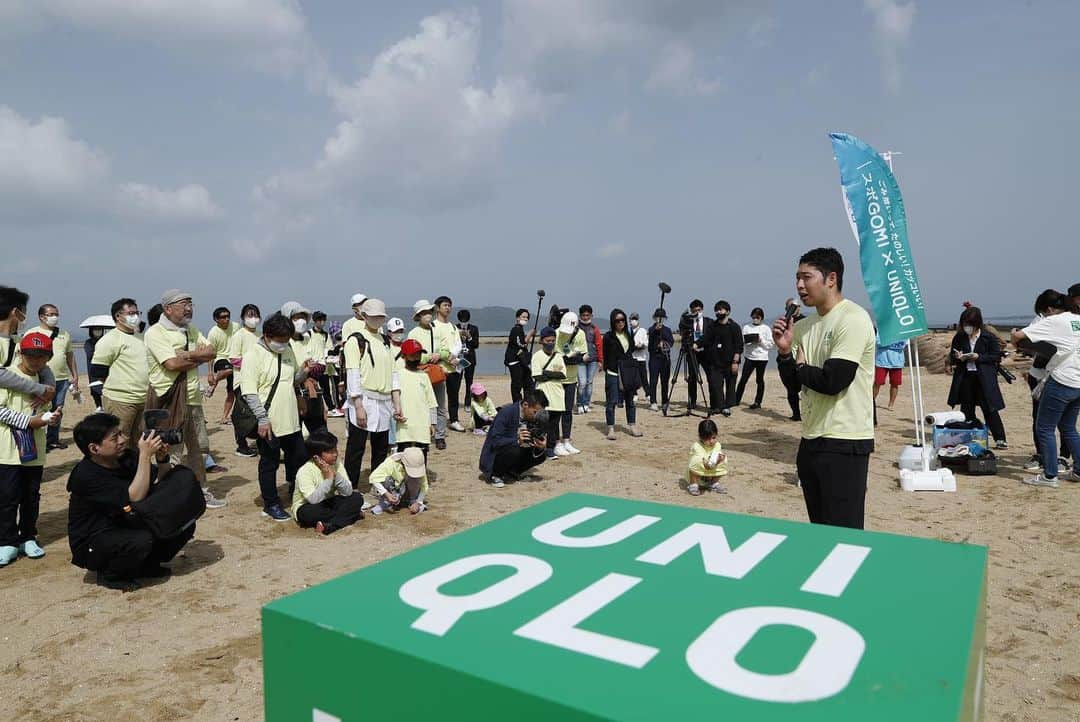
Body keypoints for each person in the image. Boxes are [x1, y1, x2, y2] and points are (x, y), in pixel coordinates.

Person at [774, 247, 875, 530]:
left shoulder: (852, 318)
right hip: (811, 438)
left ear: (831, 279)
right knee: (819, 531)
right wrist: (784, 355)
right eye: (797, 277)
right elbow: (794, 385)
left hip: (846, 440)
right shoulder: (804, 326)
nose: (799, 285)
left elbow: (834, 381)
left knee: (844, 533)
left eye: (807, 277)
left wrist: (801, 369)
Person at [67, 413, 195, 590]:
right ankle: (110, 575)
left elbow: (159, 481)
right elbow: (134, 496)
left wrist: (161, 458)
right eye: (115, 438)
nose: (123, 439)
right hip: (93, 541)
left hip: (124, 523)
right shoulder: (86, 475)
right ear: (94, 448)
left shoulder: (125, 458)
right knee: (141, 539)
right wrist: (144, 455)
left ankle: (145, 566)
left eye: (120, 433)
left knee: (182, 524)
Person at [143, 290, 225, 508]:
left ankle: (202, 491)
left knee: (199, 448)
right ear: (168, 309)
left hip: (193, 399)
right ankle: (172, 495)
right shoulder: (155, 332)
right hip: (168, 400)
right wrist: (195, 357)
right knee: (172, 450)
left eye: (191, 303)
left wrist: (187, 354)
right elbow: (171, 365)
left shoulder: (191, 329)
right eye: (183, 304)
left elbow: (211, 351)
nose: (189, 308)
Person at [241, 312, 311, 521]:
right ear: (267, 335)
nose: (283, 344)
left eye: (286, 340)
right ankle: (271, 503)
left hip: (290, 419)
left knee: (298, 456)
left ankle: (295, 489)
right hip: (269, 420)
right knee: (269, 462)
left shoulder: (287, 349)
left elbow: (291, 379)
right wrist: (262, 419)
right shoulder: (253, 354)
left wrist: (305, 372)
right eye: (280, 340)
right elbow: (249, 391)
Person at [0, 332, 62, 566]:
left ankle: (28, 536)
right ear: (20, 353)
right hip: (7, 450)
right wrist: (28, 422)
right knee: (7, 498)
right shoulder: (8, 377)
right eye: (31, 355)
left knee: (31, 497)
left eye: (42, 356)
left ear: (48, 358)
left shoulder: (46, 382)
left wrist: (53, 417)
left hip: (34, 450)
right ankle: (6, 541)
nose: (35, 360)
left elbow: (47, 409)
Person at [1012, 293, 1080, 488]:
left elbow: (1018, 336)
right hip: (1078, 382)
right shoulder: (1078, 319)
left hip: (1061, 381)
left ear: (1049, 310)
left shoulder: (1055, 320)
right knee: (1068, 428)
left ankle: (1049, 475)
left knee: (1044, 428)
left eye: (1043, 313)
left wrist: (1016, 339)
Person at [343, 299, 401, 485]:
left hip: (384, 401)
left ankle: (378, 482)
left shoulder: (385, 341)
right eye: (373, 316)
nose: (377, 320)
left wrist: (397, 403)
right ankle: (350, 487)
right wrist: (358, 405)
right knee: (356, 446)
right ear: (364, 316)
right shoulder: (356, 340)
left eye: (381, 317)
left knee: (381, 446)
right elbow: (352, 373)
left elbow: (393, 373)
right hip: (364, 399)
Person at [946, 306, 1008, 449]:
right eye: (965, 324)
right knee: (967, 407)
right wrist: (958, 357)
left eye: (969, 324)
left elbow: (995, 356)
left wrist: (979, 357)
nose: (967, 327)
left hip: (984, 376)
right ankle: (969, 433)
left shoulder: (988, 337)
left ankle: (1000, 438)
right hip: (966, 375)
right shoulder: (959, 337)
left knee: (990, 408)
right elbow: (953, 354)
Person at [90, 298, 148, 444]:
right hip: (120, 400)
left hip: (143, 398)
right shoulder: (109, 340)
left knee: (139, 440)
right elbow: (98, 371)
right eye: (130, 313)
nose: (135, 316)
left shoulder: (141, 337)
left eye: (137, 312)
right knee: (120, 440)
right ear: (118, 316)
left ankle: (136, 466)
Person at [0, 286, 58, 430]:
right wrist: (39, 389)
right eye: (24, 313)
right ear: (15, 312)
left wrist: (49, 390)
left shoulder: (18, 341)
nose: (25, 318)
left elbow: (43, 367)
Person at [290, 430, 365, 534]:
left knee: (357, 498)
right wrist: (328, 479)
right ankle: (351, 516)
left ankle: (330, 526)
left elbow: (347, 492)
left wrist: (335, 476)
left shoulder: (336, 464)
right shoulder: (305, 471)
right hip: (308, 506)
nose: (335, 454)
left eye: (335, 450)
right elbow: (313, 500)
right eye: (330, 452)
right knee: (309, 514)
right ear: (316, 456)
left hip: (329, 501)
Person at [478, 389, 549, 488]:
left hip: (513, 452)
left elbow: (534, 439)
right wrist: (516, 440)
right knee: (514, 448)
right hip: (495, 456)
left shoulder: (534, 419)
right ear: (525, 405)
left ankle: (512, 472)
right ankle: (496, 475)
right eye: (535, 412)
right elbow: (495, 441)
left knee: (542, 454)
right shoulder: (506, 413)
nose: (536, 415)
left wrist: (541, 445)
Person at [32, 304, 78, 450]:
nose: (55, 317)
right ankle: (37, 440)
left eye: (56, 314)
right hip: (41, 379)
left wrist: (75, 375)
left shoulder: (64, 334)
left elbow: (70, 355)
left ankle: (52, 439)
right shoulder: (32, 333)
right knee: (39, 409)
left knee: (57, 409)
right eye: (51, 314)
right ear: (42, 316)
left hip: (62, 379)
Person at [409, 299, 451, 449]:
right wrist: (428, 357)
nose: (427, 315)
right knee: (422, 405)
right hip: (420, 373)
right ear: (419, 316)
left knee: (440, 405)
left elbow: (447, 350)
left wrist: (439, 355)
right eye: (424, 313)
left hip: (437, 372)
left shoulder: (437, 329)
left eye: (429, 312)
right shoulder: (413, 333)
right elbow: (412, 355)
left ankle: (439, 436)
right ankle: (423, 434)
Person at [225, 304, 261, 457]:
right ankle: (241, 445)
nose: (252, 318)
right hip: (242, 380)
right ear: (243, 317)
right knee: (241, 413)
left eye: (255, 315)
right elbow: (233, 358)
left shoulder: (260, 335)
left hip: (259, 381)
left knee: (259, 412)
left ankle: (259, 441)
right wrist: (249, 366)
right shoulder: (239, 335)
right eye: (249, 315)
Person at [602, 309, 643, 440]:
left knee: (630, 400)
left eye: (622, 320)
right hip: (613, 372)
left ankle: (632, 425)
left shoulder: (628, 334)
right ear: (613, 322)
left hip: (627, 371)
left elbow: (631, 351)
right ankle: (611, 428)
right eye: (617, 321)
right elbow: (605, 355)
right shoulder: (608, 336)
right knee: (612, 401)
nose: (620, 323)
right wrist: (607, 368)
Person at [394, 339, 437, 461]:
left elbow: (431, 402)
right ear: (404, 356)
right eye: (413, 355)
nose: (416, 358)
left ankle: (421, 480)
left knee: (421, 458)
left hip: (422, 427)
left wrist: (432, 423)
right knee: (403, 457)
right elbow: (393, 400)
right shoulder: (398, 375)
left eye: (418, 354)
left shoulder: (424, 376)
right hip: (404, 427)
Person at [532, 326, 568, 459]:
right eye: (548, 340)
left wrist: (547, 373)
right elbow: (537, 375)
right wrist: (552, 374)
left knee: (554, 424)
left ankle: (551, 447)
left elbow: (563, 374)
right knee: (543, 423)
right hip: (544, 394)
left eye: (553, 340)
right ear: (542, 341)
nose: (551, 343)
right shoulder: (537, 356)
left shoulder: (558, 356)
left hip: (558, 394)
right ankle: (542, 448)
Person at [702, 300, 742, 417]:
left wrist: (735, 361)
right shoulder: (712, 326)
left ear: (728, 311)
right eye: (717, 310)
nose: (718, 312)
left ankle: (727, 406)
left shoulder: (734, 327)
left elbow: (739, 345)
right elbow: (705, 339)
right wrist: (696, 344)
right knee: (715, 384)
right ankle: (720, 406)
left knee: (730, 385)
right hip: (715, 362)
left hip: (730, 362)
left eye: (721, 309)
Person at [433, 296, 466, 433]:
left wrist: (453, 355)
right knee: (436, 397)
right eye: (445, 305)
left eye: (449, 305)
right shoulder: (433, 326)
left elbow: (458, 343)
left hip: (454, 367)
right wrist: (447, 357)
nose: (448, 308)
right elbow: (434, 346)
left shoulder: (452, 326)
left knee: (454, 395)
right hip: (439, 367)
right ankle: (434, 422)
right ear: (437, 308)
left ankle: (454, 420)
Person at [555, 311, 585, 454]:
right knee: (555, 412)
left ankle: (566, 440)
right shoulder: (556, 334)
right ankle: (555, 443)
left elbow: (584, 356)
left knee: (567, 411)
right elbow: (554, 356)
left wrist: (572, 358)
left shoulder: (580, 335)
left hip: (571, 379)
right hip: (556, 379)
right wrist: (572, 358)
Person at [368, 447, 429, 515]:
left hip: (408, 492)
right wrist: (386, 494)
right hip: (392, 491)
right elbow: (373, 478)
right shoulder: (390, 462)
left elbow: (424, 485)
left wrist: (418, 502)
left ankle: (413, 501)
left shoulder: (417, 463)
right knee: (386, 478)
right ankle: (386, 502)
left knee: (416, 478)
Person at [206, 307, 240, 425]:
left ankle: (224, 417)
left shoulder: (236, 326)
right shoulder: (213, 333)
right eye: (223, 317)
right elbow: (210, 354)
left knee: (232, 392)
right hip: (220, 359)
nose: (226, 319)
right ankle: (214, 381)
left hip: (235, 360)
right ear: (216, 319)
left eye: (228, 316)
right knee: (228, 369)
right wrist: (210, 373)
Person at [735, 307, 774, 410]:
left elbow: (770, 345)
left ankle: (758, 402)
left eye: (757, 317)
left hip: (762, 358)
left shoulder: (766, 328)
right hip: (749, 357)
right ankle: (736, 400)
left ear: (761, 318)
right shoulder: (747, 327)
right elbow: (742, 341)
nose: (755, 319)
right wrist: (748, 341)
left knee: (759, 380)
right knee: (743, 379)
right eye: (753, 317)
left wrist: (760, 341)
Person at [687, 419, 728, 496]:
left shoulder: (717, 445)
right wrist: (712, 463)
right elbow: (704, 463)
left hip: (709, 472)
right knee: (696, 460)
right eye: (707, 439)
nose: (711, 441)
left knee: (724, 459)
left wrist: (719, 460)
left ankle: (713, 483)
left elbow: (715, 458)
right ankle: (693, 484)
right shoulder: (697, 446)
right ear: (700, 437)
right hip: (698, 474)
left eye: (713, 437)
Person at [576, 305, 604, 414]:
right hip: (580, 359)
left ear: (591, 315)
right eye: (583, 315)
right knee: (582, 383)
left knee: (589, 382)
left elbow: (599, 345)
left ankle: (586, 404)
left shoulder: (595, 329)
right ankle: (579, 404)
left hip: (593, 359)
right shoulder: (576, 328)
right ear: (580, 316)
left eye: (588, 315)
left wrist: (601, 361)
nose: (585, 317)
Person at [782, 297, 805, 421]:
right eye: (790, 307)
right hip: (788, 359)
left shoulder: (807, 321)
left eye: (795, 307)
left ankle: (807, 412)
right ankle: (796, 414)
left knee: (807, 388)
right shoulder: (784, 322)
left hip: (803, 357)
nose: (794, 309)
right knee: (791, 389)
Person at [686, 299, 712, 412]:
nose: (697, 312)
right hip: (692, 353)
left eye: (699, 310)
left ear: (702, 309)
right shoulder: (688, 322)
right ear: (691, 311)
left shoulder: (709, 322)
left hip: (706, 353)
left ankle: (714, 402)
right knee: (692, 378)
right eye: (694, 310)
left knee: (711, 377)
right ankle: (692, 401)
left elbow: (712, 337)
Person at [504, 308, 535, 402]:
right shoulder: (516, 330)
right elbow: (521, 344)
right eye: (523, 317)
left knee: (528, 381)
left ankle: (527, 401)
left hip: (520, 361)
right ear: (517, 318)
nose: (525, 319)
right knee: (517, 384)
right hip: (514, 361)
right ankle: (517, 403)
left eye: (527, 317)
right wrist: (529, 335)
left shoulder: (520, 329)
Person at [647, 308, 673, 411]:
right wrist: (656, 331)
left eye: (662, 318)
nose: (660, 319)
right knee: (653, 381)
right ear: (654, 318)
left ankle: (665, 402)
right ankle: (653, 402)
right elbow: (650, 346)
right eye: (658, 317)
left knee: (665, 381)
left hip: (665, 358)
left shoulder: (667, 330)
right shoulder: (651, 329)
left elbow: (671, 342)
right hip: (654, 358)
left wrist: (664, 343)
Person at [873, 332, 907, 411]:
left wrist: (888, 342)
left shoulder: (903, 330)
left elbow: (902, 344)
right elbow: (878, 343)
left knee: (895, 384)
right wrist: (893, 341)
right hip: (882, 361)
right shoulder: (882, 328)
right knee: (877, 383)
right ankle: (871, 401)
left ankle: (891, 404)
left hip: (897, 362)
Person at [457, 309, 480, 411]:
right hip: (459, 359)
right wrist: (459, 336)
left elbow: (476, 345)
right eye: (462, 320)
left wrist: (469, 336)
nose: (464, 322)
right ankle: (455, 402)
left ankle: (467, 403)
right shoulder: (455, 328)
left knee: (469, 382)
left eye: (465, 320)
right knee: (456, 381)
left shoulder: (474, 329)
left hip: (470, 358)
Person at [629, 313, 649, 406]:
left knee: (644, 377)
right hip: (632, 358)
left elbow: (646, 343)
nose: (633, 321)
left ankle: (648, 394)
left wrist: (641, 345)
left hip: (641, 358)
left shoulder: (642, 330)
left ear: (638, 320)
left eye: (635, 319)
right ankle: (634, 394)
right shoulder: (628, 331)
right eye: (631, 319)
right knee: (632, 378)